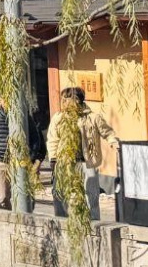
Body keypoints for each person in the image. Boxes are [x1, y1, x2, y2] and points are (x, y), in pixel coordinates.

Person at [51, 86, 118, 217]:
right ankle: (62, 220)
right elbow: (53, 139)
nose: (63, 102)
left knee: (91, 195)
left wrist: (114, 143)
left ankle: (93, 221)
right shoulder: (58, 118)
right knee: (60, 192)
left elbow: (108, 133)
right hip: (65, 161)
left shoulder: (93, 117)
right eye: (62, 99)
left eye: (66, 99)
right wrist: (53, 159)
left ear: (76, 100)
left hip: (87, 162)